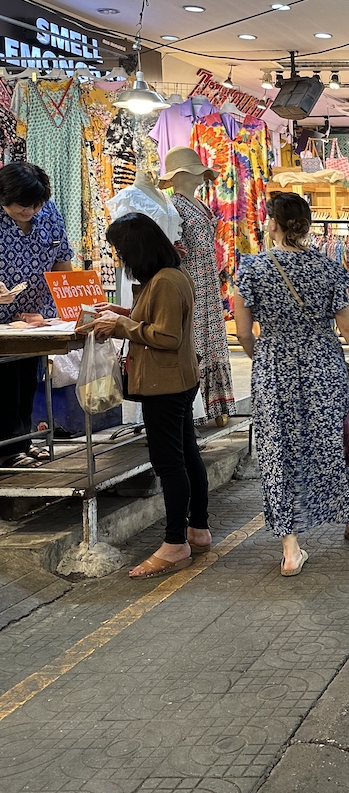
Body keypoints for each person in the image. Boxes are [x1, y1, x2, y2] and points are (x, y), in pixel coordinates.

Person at [233, 193, 349, 577]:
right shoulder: (327, 268)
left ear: (273, 223)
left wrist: (266, 356)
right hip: (322, 364)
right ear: (305, 224)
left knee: (279, 452)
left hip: (273, 370)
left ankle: (290, 551)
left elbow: (242, 332)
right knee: (328, 443)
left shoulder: (251, 269)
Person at [81, 213, 211, 576]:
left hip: (165, 383)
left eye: (121, 251)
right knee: (186, 454)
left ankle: (175, 544)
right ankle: (196, 529)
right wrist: (121, 312)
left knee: (170, 462)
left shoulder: (166, 281)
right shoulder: (169, 276)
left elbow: (167, 337)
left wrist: (122, 325)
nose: (120, 259)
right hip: (175, 380)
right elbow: (158, 320)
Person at [0, 162, 74, 468]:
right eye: (21, 206)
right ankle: (6, 450)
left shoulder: (49, 212)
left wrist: (63, 309)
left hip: (35, 317)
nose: (29, 211)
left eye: (35, 205)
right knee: (4, 382)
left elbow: (62, 259)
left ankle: (23, 442)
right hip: (2, 321)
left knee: (28, 379)